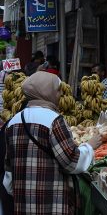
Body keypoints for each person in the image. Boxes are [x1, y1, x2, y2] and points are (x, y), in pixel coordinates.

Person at [2, 72, 101, 215]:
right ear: (45, 91)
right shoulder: (54, 120)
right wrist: (90, 146)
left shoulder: (13, 121)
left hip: (23, 205)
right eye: (57, 89)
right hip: (52, 205)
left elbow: (9, 173)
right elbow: (72, 162)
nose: (60, 94)